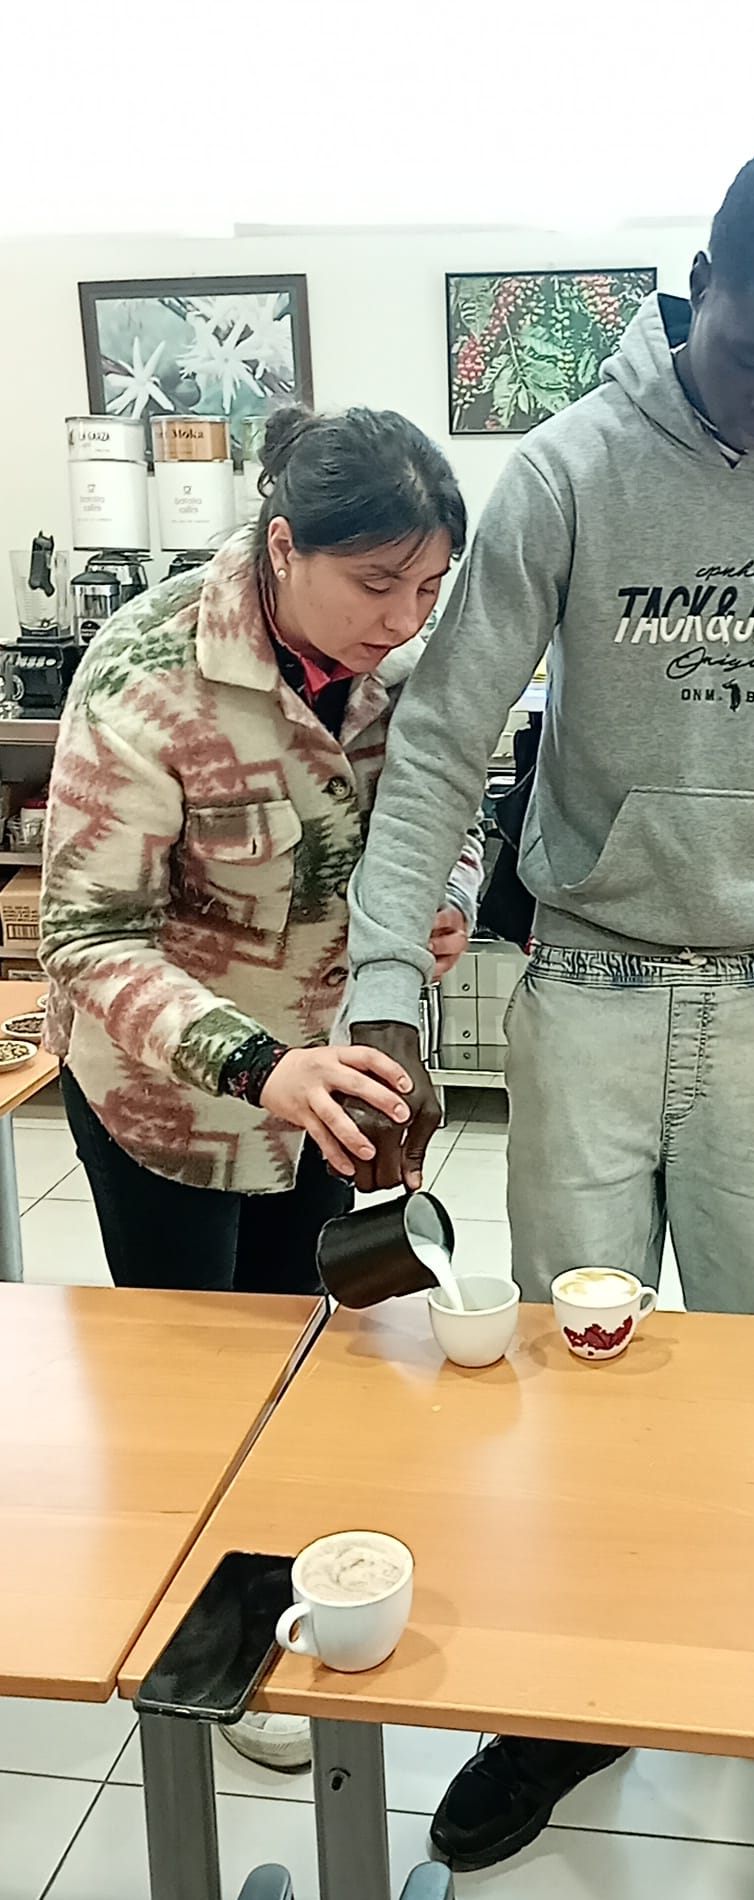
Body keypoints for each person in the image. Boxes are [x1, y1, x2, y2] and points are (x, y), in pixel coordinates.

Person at [341, 138, 754, 1863]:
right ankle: (564, 1706)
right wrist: (389, 987)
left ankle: (732, 1660)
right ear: (702, 285)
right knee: (579, 1359)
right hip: (590, 993)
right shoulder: (568, 468)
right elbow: (448, 741)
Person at [40, 404, 482, 1766]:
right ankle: (212, 1638)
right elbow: (87, 934)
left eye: (428, 587)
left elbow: (449, 811)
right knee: (196, 1388)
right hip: (172, 1099)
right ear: (283, 546)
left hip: (329, 1076)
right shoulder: (151, 672)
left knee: (329, 1338)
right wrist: (259, 1063)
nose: (403, 618)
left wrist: (443, 902)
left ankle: (310, 1583)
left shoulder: (400, 666)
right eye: (375, 584)